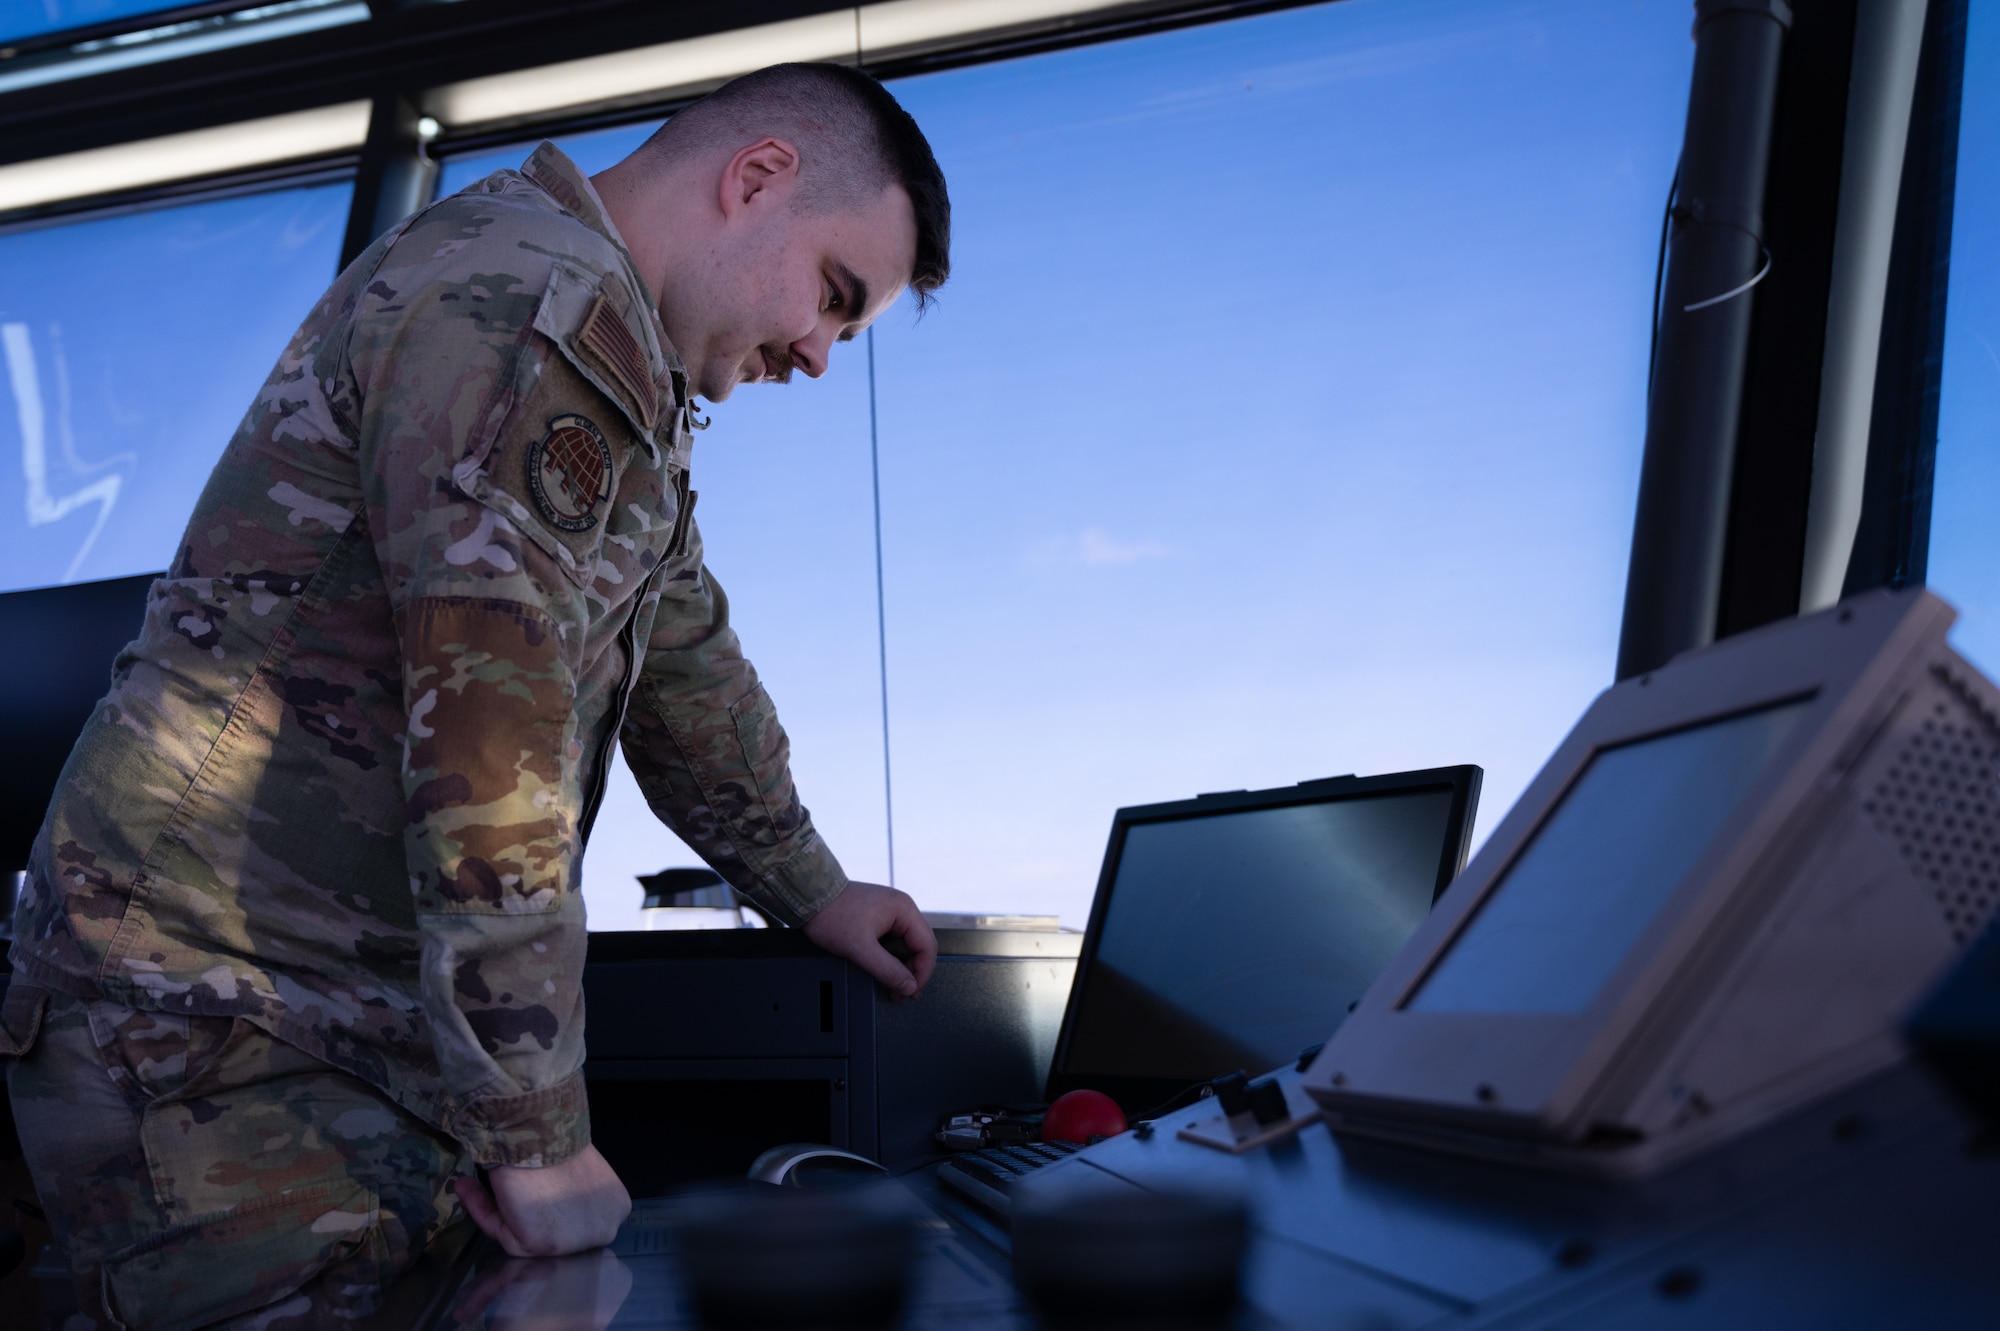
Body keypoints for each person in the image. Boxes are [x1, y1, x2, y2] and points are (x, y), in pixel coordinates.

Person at [0, 61, 947, 1328]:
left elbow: (679, 654)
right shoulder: (522, 304)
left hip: (316, 1015)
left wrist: (810, 884)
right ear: (758, 177)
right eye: (835, 295)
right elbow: (490, 729)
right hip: (220, 1018)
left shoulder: (612, 359)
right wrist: (536, 1131)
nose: (823, 355)